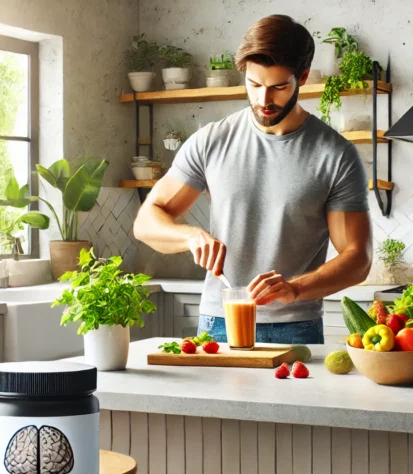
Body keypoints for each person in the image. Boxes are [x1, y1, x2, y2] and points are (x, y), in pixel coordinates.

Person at [133, 14, 372, 345]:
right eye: (255, 85)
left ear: (302, 77)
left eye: (278, 87)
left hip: (295, 326)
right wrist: (190, 237)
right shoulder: (211, 140)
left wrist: (295, 288)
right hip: (218, 322)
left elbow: (358, 257)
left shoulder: (335, 154)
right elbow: (146, 221)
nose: (263, 100)